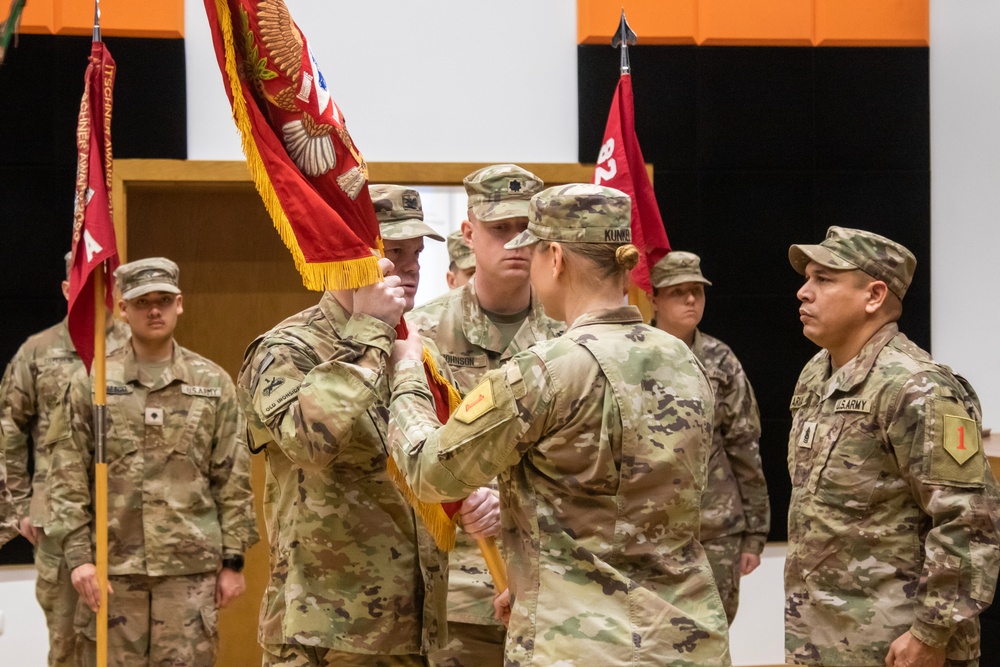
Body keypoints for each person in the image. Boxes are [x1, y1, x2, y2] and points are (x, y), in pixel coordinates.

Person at [388, 183, 732, 666]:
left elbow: (429, 471)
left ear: (554, 258)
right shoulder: (683, 359)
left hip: (579, 644)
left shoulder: (543, 370)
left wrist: (407, 372)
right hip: (684, 638)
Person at [237, 185, 500, 667]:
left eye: (417, 253)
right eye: (394, 252)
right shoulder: (285, 349)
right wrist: (368, 334)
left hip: (413, 629)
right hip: (325, 630)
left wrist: (471, 497)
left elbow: (434, 452)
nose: (411, 267)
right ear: (350, 259)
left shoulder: (418, 349)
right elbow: (307, 442)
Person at [785, 227, 1000, 667]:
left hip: (896, 646)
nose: (804, 292)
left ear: (874, 295)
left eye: (824, 279)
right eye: (808, 278)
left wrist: (930, 633)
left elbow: (969, 521)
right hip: (820, 636)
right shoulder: (816, 375)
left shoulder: (919, 388)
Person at [46, 257, 260, 667]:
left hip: (189, 575)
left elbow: (231, 477)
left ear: (180, 303)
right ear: (123, 308)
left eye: (163, 300)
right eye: (142, 302)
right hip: (111, 573)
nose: (154, 310)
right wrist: (79, 558)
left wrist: (233, 561)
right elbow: (67, 474)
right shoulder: (91, 383)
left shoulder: (212, 384)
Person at [407, 164, 563, 667]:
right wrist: (461, 492)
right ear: (469, 234)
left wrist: (510, 501)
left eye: (526, 229)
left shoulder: (571, 330)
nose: (516, 242)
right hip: (460, 592)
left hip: (558, 592)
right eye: (500, 229)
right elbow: (400, 444)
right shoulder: (421, 332)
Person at [0, 251, 129, 667]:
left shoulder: (137, 350)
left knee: (131, 640)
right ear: (65, 289)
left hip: (131, 522)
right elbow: (8, 431)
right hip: (56, 519)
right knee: (68, 642)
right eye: (82, 280)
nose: (93, 290)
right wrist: (19, 506)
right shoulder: (37, 352)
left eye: (102, 280)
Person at [649, 251, 770, 624]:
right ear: (654, 297)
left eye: (697, 292)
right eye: (678, 292)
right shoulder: (633, 356)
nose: (690, 300)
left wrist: (755, 532)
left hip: (716, 529)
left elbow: (745, 445)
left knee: (712, 635)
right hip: (649, 530)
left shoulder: (720, 360)